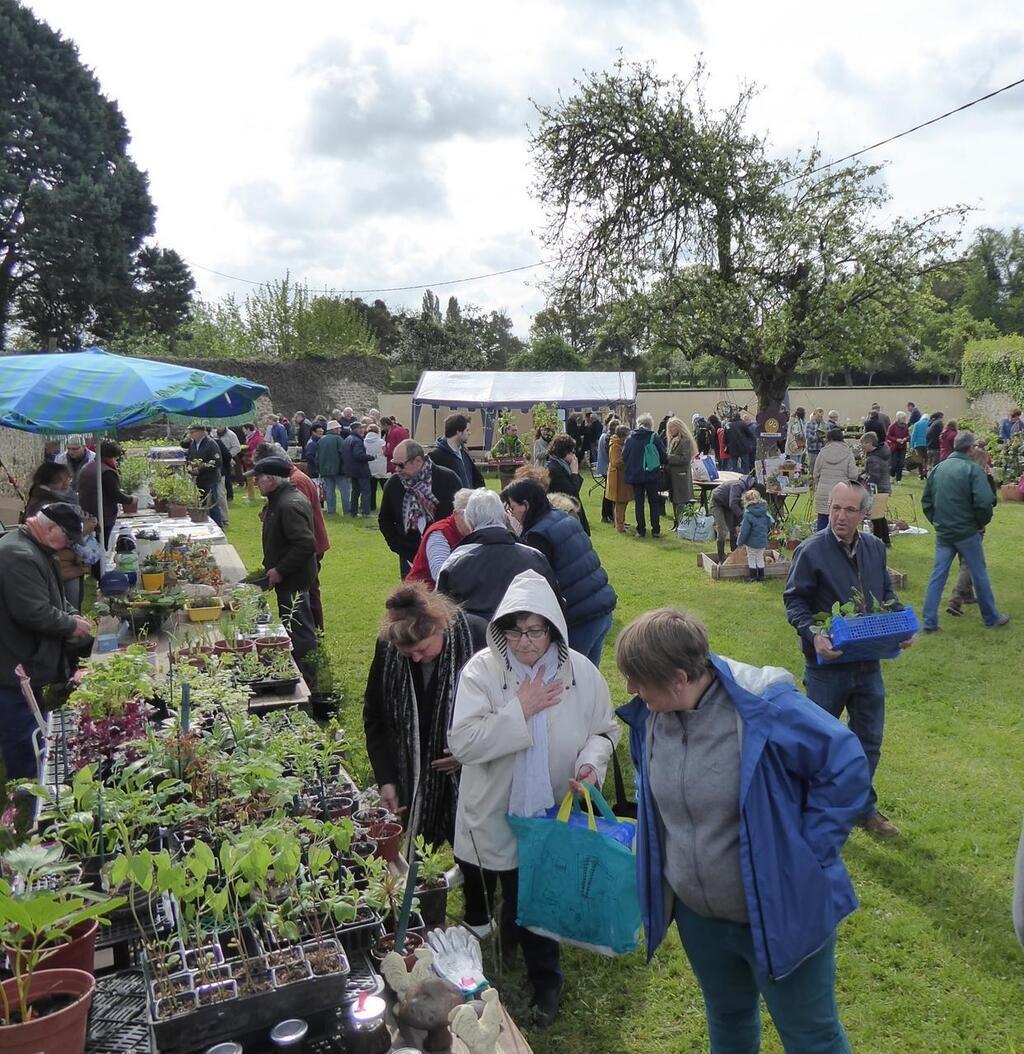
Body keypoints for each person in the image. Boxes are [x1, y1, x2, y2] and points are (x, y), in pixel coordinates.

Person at [615, 608, 869, 1053]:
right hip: (700, 918)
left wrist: (807, 853)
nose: (630, 689)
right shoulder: (649, 716)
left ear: (678, 677)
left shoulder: (764, 707)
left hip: (779, 911)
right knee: (728, 1019)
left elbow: (844, 761)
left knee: (811, 1036)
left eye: (638, 679)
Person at [448, 570, 619, 1027]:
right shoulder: (482, 671)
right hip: (498, 806)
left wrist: (590, 764)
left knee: (542, 897)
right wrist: (519, 709)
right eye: (515, 630)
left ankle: (546, 981)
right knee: (506, 883)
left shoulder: (580, 672)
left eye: (535, 630)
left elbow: (604, 730)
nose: (524, 642)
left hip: (551, 808)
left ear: (554, 629)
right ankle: (502, 963)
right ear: (501, 629)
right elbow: (463, 743)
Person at [783, 480, 908, 839]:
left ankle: (861, 807)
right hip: (828, 668)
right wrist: (813, 635)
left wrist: (901, 623)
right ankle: (811, 809)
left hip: (868, 662)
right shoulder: (811, 551)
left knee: (868, 739)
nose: (840, 516)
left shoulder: (873, 548)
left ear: (864, 514)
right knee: (819, 741)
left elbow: (884, 595)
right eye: (836, 507)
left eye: (850, 510)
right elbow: (795, 603)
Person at [363, 583, 487, 845]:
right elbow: (375, 716)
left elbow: (501, 709)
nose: (417, 659)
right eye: (408, 654)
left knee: (473, 852)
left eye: (423, 649)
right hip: (412, 773)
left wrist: (470, 749)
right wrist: (386, 779)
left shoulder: (476, 636)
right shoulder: (387, 649)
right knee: (416, 850)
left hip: (473, 775)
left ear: (440, 628)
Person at [0, 503, 93, 778]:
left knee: (33, 719)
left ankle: (36, 775)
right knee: (20, 727)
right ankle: (26, 789)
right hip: (12, 662)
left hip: (25, 660)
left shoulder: (36, 549)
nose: (68, 546)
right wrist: (70, 625)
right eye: (67, 538)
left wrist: (71, 613)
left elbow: (52, 596)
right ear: (50, 528)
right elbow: (33, 611)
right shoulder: (17, 555)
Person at [502, 477, 617, 666]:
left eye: (512, 507)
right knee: (588, 677)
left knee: (568, 679)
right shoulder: (563, 516)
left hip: (581, 618)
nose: (512, 514)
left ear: (526, 505)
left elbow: (537, 585)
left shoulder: (538, 536)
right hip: (601, 608)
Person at [921, 431, 1009, 632]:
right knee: (979, 574)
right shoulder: (973, 470)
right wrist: (979, 523)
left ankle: (929, 622)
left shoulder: (938, 468)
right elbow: (984, 502)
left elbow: (926, 501)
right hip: (967, 532)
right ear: (970, 449)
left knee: (938, 576)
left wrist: (937, 521)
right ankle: (991, 617)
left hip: (944, 533)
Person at [436, 490, 559, 621]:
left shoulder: (454, 563)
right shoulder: (535, 557)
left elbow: (441, 616)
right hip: (526, 635)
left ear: (470, 523)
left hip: (476, 637)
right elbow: (555, 606)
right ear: (505, 518)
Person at [251, 456, 319, 673]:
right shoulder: (280, 499)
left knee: (299, 629)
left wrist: (280, 570)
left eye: (258, 478)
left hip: (294, 579)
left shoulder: (288, 504)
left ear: (271, 479)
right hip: (291, 577)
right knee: (294, 625)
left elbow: (306, 544)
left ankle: (308, 676)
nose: (255, 483)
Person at [379, 440, 461, 579]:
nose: (396, 469)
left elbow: (461, 516)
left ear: (417, 460)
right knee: (412, 600)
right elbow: (385, 520)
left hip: (447, 555)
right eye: (394, 464)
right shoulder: (394, 484)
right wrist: (399, 547)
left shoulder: (448, 479)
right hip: (409, 558)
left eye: (400, 465)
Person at [407, 489, 474, 588]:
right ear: (456, 514)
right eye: (470, 516)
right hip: (422, 595)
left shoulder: (476, 532)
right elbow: (440, 573)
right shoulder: (439, 533)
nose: (474, 521)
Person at [78, 441, 134, 549]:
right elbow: (116, 495)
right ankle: (99, 565)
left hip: (87, 513)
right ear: (112, 456)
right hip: (103, 515)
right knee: (101, 546)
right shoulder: (107, 471)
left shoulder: (87, 467)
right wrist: (131, 499)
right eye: (116, 458)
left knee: (92, 545)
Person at [623, 414, 667, 539]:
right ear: (650, 424)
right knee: (654, 502)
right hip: (651, 473)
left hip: (635, 475)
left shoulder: (630, 438)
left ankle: (641, 530)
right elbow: (663, 455)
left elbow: (624, 456)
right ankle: (655, 530)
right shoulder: (654, 437)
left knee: (639, 503)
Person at [812, 428, 858, 531]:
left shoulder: (822, 453)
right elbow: (853, 475)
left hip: (823, 492)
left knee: (822, 522)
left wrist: (818, 484)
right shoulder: (848, 453)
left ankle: (821, 545)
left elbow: (815, 473)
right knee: (839, 522)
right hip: (841, 493)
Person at [545, 433, 590, 536]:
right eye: (572, 452)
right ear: (565, 452)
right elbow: (572, 492)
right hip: (565, 515)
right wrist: (575, 473)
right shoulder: (555, 469)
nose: (574, 456)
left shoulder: (560, 465)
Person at [710, 471, 759, 563]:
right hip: (717, 503)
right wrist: (743, 516)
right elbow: (733, 504)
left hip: (728, 505)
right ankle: (721, 558)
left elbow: (739, 507)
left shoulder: (746, 491)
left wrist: (739, 523)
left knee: (733, 530)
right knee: (722, 530)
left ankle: (735, 554)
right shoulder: (738, 486)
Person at [185, 423, 225, 528]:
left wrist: (201, 468)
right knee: (201, 503)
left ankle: (218, 526)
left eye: (193, 432)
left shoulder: (211, 444)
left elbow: (217, 461)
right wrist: (190, 466)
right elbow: (190, 457)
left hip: (210, 478)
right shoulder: (193, 444)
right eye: (190, 432)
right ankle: (204, 524)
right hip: (199, 479)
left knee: (211, 504)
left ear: (202, 432)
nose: (191, 435)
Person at [429, 413, 485, 489]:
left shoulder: (463, 452)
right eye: (467, 430)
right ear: (458, 432)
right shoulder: (436, 456)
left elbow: (476, 479)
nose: (469, 433)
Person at [859, 432, 892, 546]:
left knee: (875, 516)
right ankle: (886, 541)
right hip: (885, 488)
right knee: (880, 516)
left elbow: (874, 476)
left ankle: (876, 542)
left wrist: (864, 481)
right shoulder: (881, 454)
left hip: (878, 489)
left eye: (863, 444)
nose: (861, 446)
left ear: (870, 443)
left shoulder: (873, 458)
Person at [736, 488, 773, 582]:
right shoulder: (764, 512)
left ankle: (753, 577)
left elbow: (744, 531)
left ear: (746, 501)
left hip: (752, 541)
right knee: (760, 557)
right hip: (762, 540)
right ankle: (761, 576)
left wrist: (739, 542)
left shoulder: (748, 514)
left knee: (751, 557)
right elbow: (771, 522)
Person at [664, 416, 695, 526]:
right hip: (673, 475)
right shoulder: (672, 440)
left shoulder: (685, 441)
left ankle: (682, 524)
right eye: (669, 428)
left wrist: (669, 457)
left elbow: (686, 459)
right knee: (674, 500)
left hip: (681, 475)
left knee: (681, 501)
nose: (670, 430)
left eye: (673, 427)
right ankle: (677, 522)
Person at [341, 420, 375, 517]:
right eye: (361, 428)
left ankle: (353, 512)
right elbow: (358, 455)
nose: (363, 430)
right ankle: (366, 512)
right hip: (360, 470)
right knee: (366, 491)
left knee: (355, 491)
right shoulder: (357, 441)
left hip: (351, 470)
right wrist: (371, 457)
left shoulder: (347, 439)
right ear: (356, 429)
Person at [605, 424, 633, 533]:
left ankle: (621, 522)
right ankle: (619, 526)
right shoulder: (615, 446)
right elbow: (616, 462)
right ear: (622, 436)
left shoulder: (620, 444)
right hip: (618, 478)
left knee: (624, 501)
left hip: (623, 477)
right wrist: (629, 461)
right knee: (620, 502)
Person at [315, 420, 346, 516]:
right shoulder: (338, 439)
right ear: (334, 429)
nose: (340, 430)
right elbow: (343, 454)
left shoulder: (321, 440)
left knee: (329, 491)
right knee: (344, 491)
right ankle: (347, 510)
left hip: (325, 470)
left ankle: (331, 510)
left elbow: (317, 457)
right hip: (339, 470)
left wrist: (319, 469)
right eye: (338, 428)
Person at [595, 416, 617, 525]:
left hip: (604, 467)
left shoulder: (603, 435)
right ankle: (608, 515)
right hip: (608, 468)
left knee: (608, 493)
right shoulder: (609, 438)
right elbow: (611, 455)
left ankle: (607, 515)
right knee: (609, 494)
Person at [364, 422, 387, 512]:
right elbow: (385, 452)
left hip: (370, 466)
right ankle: (386, 505)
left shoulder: (364, 441)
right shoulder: (381, 442)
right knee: (385, 488)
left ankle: (372, 505)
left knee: (371, 489)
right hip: (381, 466)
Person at [215, 426, 242, 501]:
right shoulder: (214, 434)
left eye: (220, 425)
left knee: (227, 477)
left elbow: (237, 447)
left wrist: (228, 455)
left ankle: (229, 496)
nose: (218, 427)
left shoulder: (231, 435)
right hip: (217, 458)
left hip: (227, 458)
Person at [886, 411, 910, 484]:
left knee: (901, 463)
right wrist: (896, 439)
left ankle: (898, 479)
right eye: (903, 418)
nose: (904, 419)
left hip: (902, 447)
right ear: (898, 418)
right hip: (895, 447)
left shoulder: (906, 426)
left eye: (904, 418)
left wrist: (906, 438)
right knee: (894, 463)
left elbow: (908, 435)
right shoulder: (893, 426)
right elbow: (888, 436)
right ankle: (892, 476)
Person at [909, 410, 930, 481]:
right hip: (927, 444)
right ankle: (926, 473)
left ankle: (921, 474)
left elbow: (913, 435)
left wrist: (912, 445)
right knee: (926, 460)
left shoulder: (917, 424)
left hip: (918, 444)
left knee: (919, 460)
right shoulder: (929, 424)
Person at [805, 408, 826, 476]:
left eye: (821, 416)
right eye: (818, 416)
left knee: (821, 468)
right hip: (812, 449)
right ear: (814, 415)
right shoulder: (809, 424)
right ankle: (811, 483)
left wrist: (824, 438)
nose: (820, 418)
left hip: (821, 449)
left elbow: (828, 435)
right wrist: (817, 438)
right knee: (812, 467)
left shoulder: (824, 424)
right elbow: (808, 436)